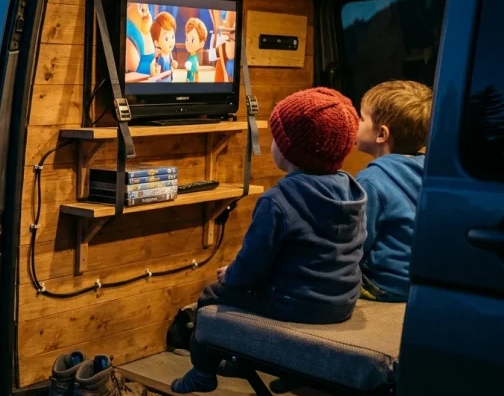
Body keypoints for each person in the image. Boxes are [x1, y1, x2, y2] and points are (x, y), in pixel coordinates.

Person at [170, 87, 368, 394]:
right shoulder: (352, 190)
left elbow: (253, 265)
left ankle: (202, 372)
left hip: (294, 305)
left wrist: (232, 275)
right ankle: (238, 360)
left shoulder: (278, 200)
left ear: (290, 150)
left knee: (212, 294)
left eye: (276, 136)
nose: (272, 142)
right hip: (342, 303)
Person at [354, 80, 433, 302]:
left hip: (385, 284)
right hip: (418, 282)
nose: (356, 123)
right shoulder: (429, 170)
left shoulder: (371, 180)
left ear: (381, 134)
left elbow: (357, 241)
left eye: (361, 118)